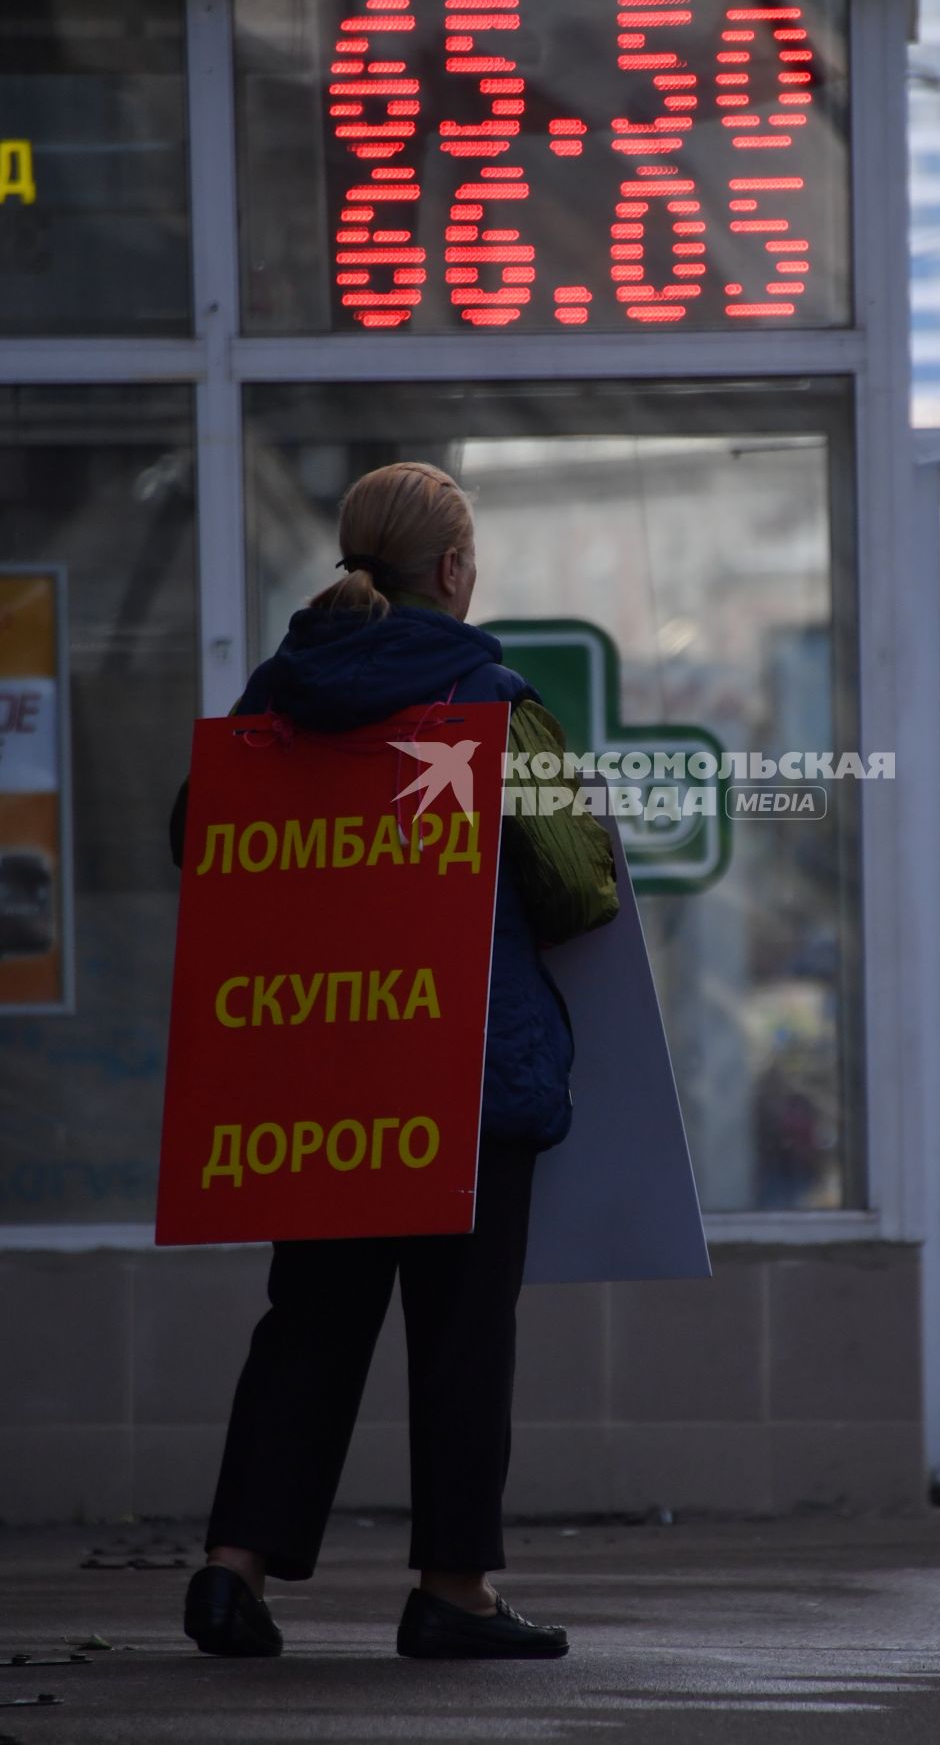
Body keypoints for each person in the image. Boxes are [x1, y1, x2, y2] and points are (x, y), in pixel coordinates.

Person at [177, 461, 618, 1663]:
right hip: (469, 1079)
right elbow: (578, 885)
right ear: (458, 574)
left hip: (325, 1070)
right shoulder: (490, 697)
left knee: (308, 1321)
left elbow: (198, 836)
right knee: (463, 1336)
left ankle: (234, 1571)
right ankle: (453, 1593)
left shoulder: (276, 694)